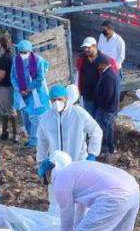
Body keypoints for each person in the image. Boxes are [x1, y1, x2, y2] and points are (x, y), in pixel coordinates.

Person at [39, 152, 139, 231]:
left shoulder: (60, 180)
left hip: (115, 195)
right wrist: (74, 229)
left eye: (46, 180)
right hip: (133, 188)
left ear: (48, 173)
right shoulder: (75, 170)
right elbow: (81, 206)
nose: (49, 183)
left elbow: (66, 215)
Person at [36, 84, 102, 213]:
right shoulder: (46, 118)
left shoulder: (78, 113)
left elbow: (96, 131)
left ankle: (80, 221)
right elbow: (42, 141)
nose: (57, 103)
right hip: (56, 166)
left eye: (60, 99)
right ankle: (56, 221)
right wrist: (41, 161)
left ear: (66, 98)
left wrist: (92, 154)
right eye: (53, 100)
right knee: (56, 199)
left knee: (80, 197)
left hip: (78, 162)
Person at [10, 40, 50, 148]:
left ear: (30, 51)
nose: (23, 54)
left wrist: (29, 89)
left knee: (35, 118)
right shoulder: (15, 60)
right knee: (25, 117)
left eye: (25, 52)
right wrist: (19, 88)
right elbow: (13, 76)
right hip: (21, 94)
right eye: (21, 52)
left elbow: (40, 78)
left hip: (36, 93)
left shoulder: (38, 60)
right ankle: (30, 137)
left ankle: (35, 142)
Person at [76, 37, 118, 119]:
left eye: (88, 47)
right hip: (87, 96)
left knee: (101, 121)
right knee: (90, 119)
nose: (86, 49)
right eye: (84, 47)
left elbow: (112, 80)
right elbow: (80, 75)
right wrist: (80, 90)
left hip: (101, 98)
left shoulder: (106, 60)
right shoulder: (81, 60)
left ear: (95, 46)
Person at [0, 34, 18, 142]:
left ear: (1, 44)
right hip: (8, 85)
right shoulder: (12, 55)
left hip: (5, 86)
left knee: (8, 109)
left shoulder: (5, 58)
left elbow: (2, 75)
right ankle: (5, 132)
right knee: (5, 109)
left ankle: (14, 134)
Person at [92, 58, 121, 156]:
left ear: (103, 64)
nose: (97, 66)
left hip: (106, 108)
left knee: (104, 128)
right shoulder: (109, 73)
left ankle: (106, 149)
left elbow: (107, 95)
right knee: (108, 126)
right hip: (108, 107)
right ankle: (110, 148)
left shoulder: (108, 76)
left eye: (99, 64)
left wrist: (100, 104)